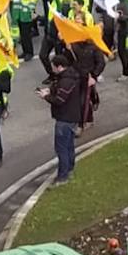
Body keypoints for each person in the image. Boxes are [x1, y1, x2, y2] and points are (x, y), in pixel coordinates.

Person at [39, 52, 81, 184]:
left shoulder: (65, 81)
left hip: (65, 118)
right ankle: (70, 169)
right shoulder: (70, 77)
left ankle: (63, 176)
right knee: (69, 146)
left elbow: (59, 100)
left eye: (53, 67)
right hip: (72, 117)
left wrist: (46, 97)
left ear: (59, 67)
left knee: (62, 148)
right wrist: (50, 91)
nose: (51, 69)